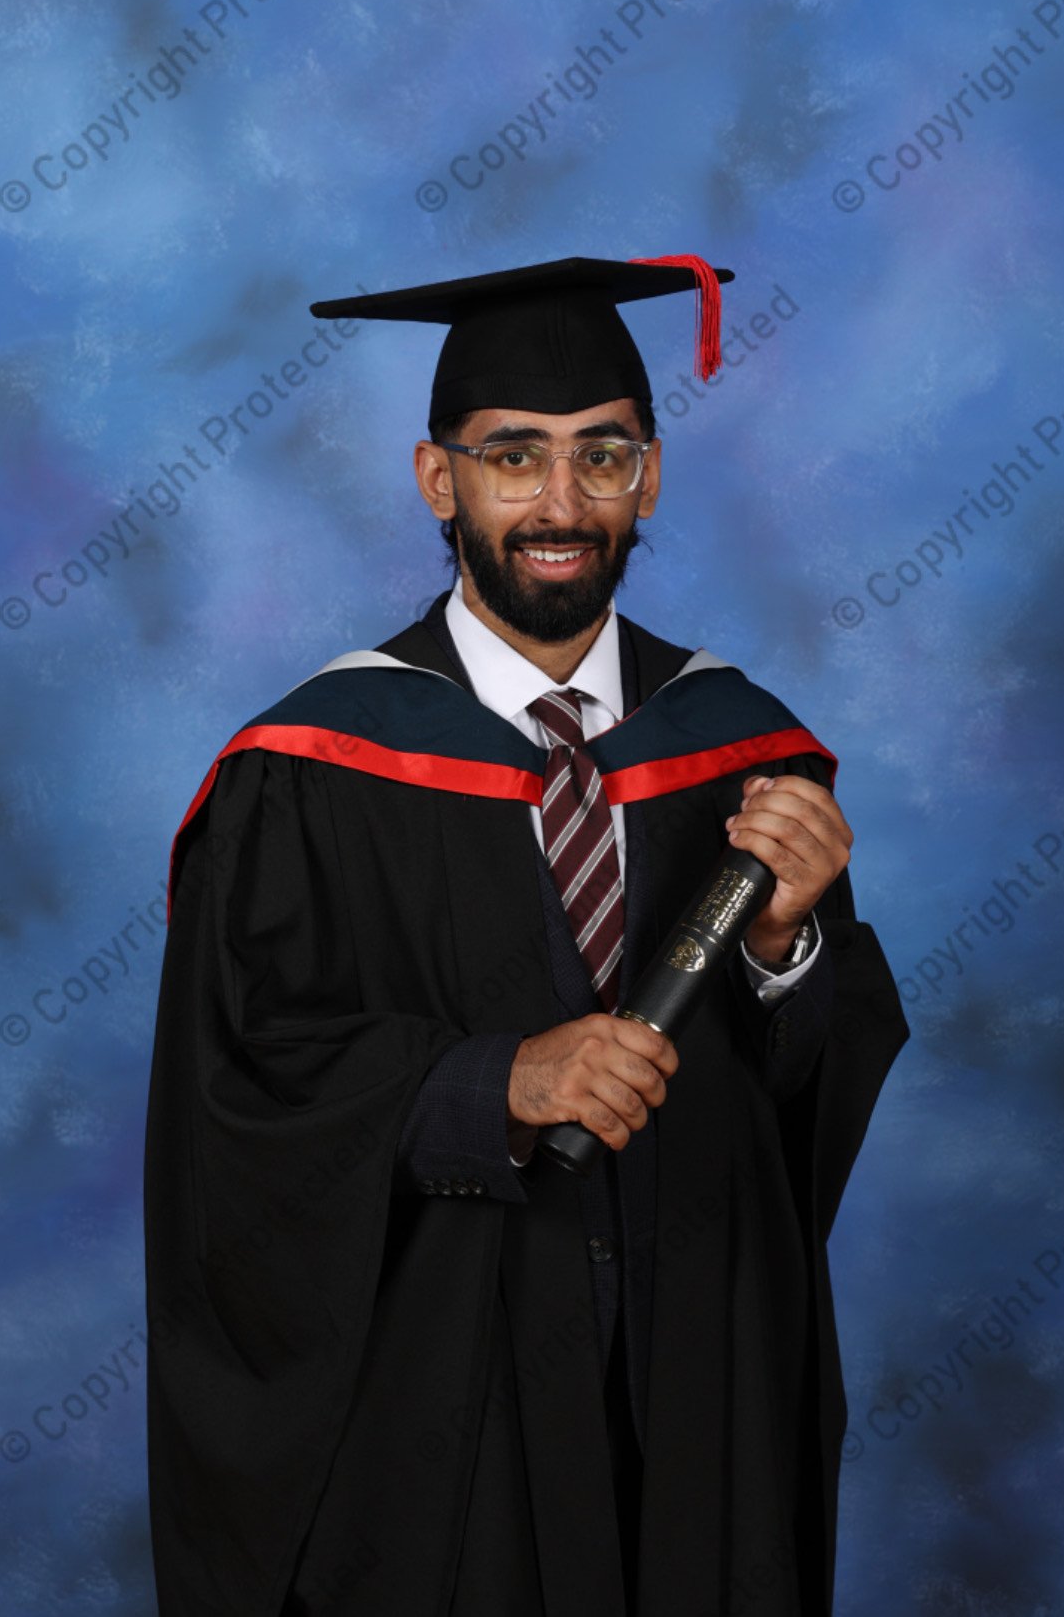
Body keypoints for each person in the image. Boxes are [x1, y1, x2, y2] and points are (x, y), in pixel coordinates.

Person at [143, 254, 910, 1617]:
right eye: (514, 457)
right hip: (438, 1399)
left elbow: (813, 1088)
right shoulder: (307, 771)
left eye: (601, 456)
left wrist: (784, 949)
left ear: (648, 479)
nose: (561, 503)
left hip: (695, 1378)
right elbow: (236, 1095)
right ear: (439, 481)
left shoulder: (744, 748)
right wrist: (488, 1083)